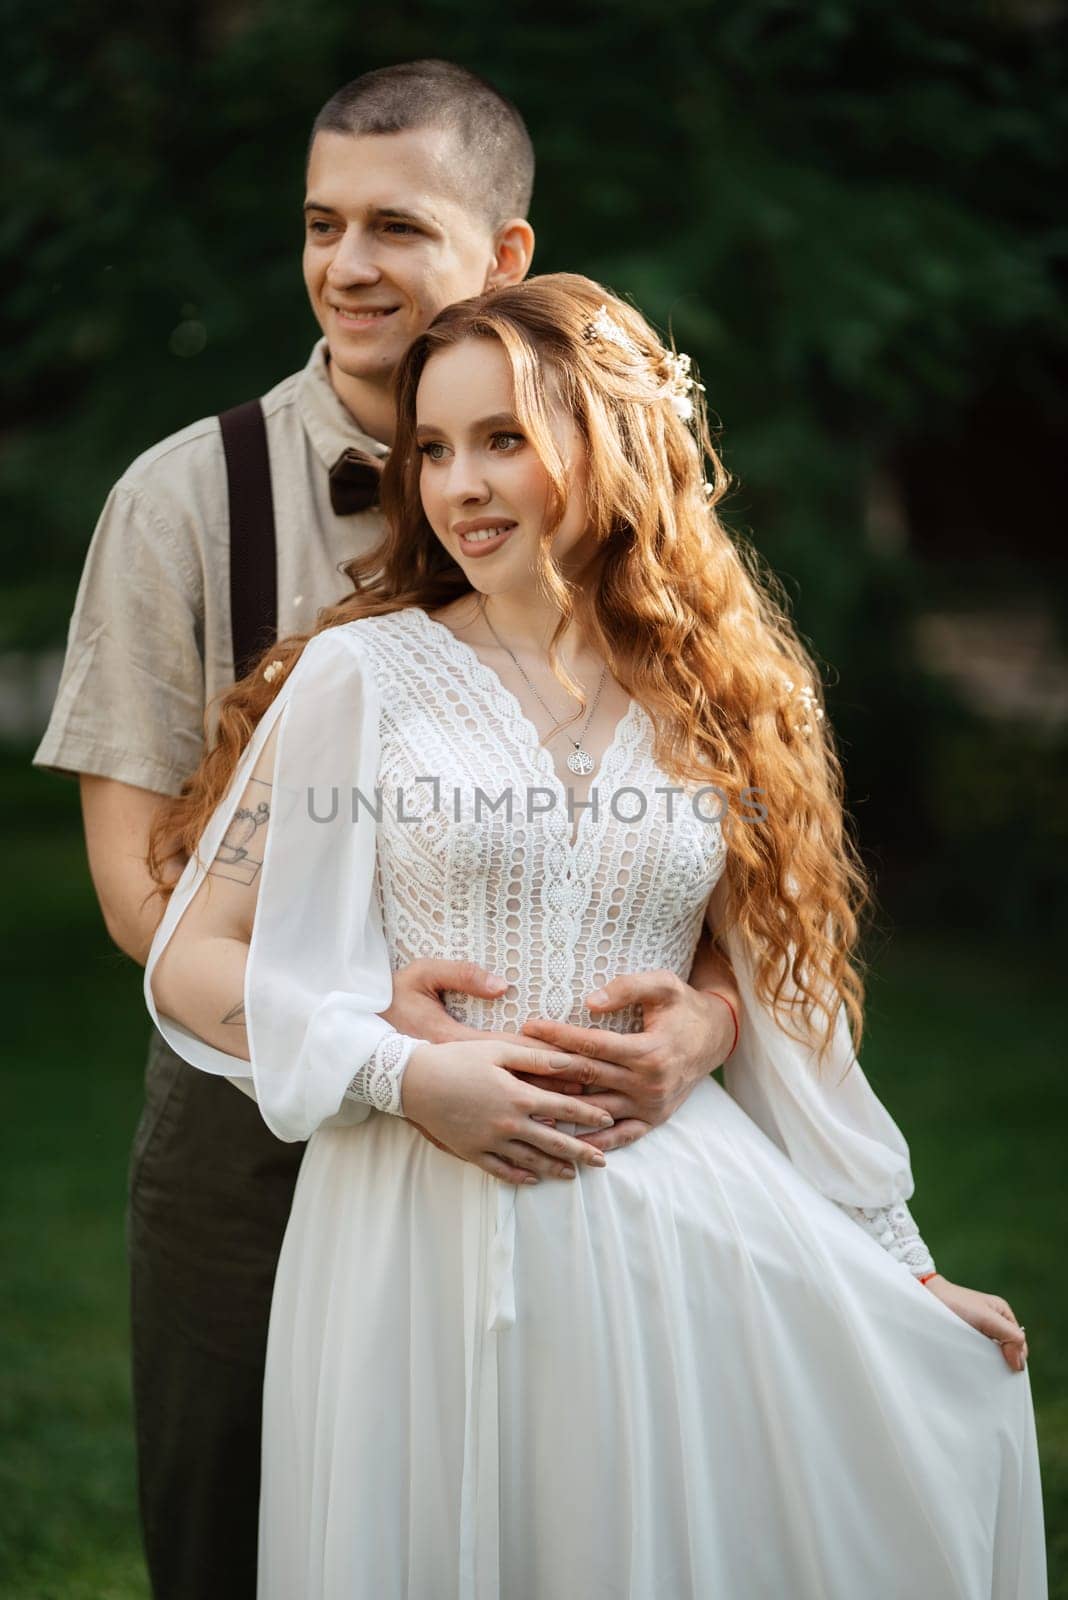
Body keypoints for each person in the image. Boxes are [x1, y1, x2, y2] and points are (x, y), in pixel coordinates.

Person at [142, 273, 1046, 1598]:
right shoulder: (362, 678)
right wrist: (403, 1070)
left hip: (677, 1224)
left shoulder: (720, 696)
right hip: (417, 1223)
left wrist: (899, 1263)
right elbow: (192, 953)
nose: (460, 486)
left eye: (503, 438)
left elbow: (790, 1005)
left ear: (615, 442)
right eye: (434, 450)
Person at [32, 63, 743, 1599]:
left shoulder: (622, 539)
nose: (346, 267)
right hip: (246, 1133)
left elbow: (726, 885)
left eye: (393, 228)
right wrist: (373, 1043)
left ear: (501, 254)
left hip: (570, 1151)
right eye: (319, 224)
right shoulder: (179, 499)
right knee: (247, 1536)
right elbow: (131, 888)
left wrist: (706, 1027)